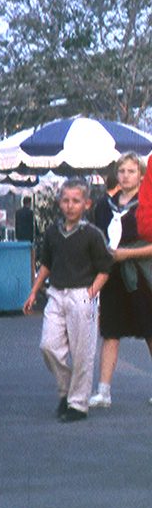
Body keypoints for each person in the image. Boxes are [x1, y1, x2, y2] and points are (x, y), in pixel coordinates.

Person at [23, 179, 112, 422]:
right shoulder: (53, 232)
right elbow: (47, 264)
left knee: (82, 351)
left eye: (76, 201)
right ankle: (66, 391)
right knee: (49, 346)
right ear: (59, 202)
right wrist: (34, 291)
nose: (70, 206)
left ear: (86, 204)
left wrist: (92, 292)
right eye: (65, 200)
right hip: (57, 294)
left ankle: (77, 404)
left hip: (82, 294)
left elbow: (105, 267)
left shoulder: (93, 234)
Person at [89, 155, 152, 408]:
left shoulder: (146, 205)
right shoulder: (105, 206)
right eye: (122, 171)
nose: (125, 176)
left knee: (150, 332)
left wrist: (127, 254)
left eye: (131, 171)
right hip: (113, 275)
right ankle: (103, 392)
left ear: (141, 175)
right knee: (111, 332)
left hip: (141, 274)